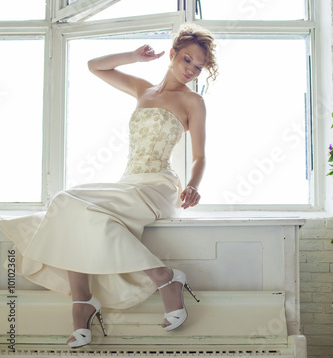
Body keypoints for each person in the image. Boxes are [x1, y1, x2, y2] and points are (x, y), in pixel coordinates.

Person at [0, 23, 218, 349]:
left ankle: (155, 280)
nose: (191, 70)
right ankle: (89, 298)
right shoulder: (144, 90)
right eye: (187, 60)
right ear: (172, 54)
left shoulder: (193, 102)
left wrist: (193, 185)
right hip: (127, 183)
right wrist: (134, 55)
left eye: (198, 67)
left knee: (66, 201)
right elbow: (95, 66)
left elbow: (200, 156)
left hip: (157, 186)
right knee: (74, 208)